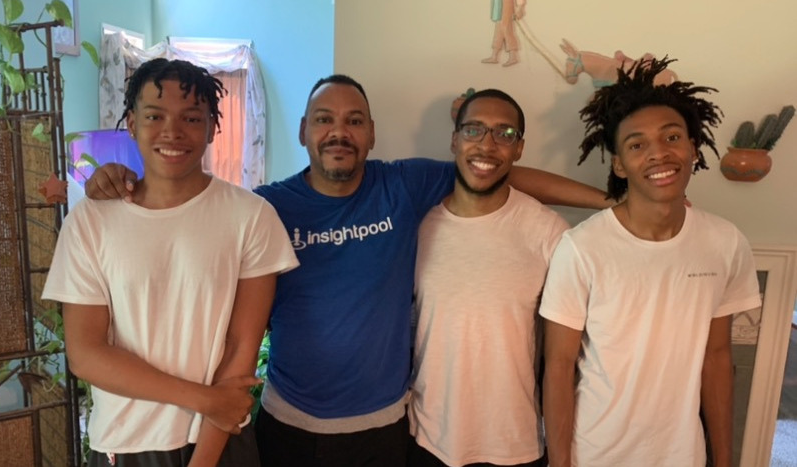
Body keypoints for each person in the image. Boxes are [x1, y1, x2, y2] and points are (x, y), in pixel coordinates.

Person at [84, 74, 611, 466]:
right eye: (324, 119)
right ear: (302, 131)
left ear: (372, 134)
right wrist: (120, 180)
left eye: (354, 121)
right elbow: (187, 209)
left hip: (384, 430)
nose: (339, 132)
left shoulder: (401, 186)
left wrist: (613, 203)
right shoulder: (264, 208)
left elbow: (497, 173)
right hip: (287, 425)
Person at [42, 58, 299, 466]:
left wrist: (203, 457)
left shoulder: (251, 217)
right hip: (125, 444)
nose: (172, 131)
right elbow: (86, 353)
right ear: (131, 123)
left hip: (217, 442)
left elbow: (241, 348)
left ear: (212, 128)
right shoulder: (91, 221)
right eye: (154, 116)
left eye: (191, 118)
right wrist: (206, 399)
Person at [540, 57, 762, 467]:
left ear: (693, 148)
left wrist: (723, 460)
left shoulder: (725, 242)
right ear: (619, 165)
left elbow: (717, 357)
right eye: (637, 144)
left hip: (682, 455)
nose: (659, 153)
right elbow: (558, 366)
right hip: (596, 454)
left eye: (672, 137)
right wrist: (559, 462)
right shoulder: (581, 248)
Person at [408, 89, 567, 467]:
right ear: (454, 140)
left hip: (515, 442)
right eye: (473, 130)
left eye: (504, 134)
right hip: (428, 438)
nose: (487, 144)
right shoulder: (419, 227)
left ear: (519, 149)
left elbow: (565, 356)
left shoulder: (549, 232)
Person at [482, 0, 526, 67]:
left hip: (507, 3)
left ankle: (513, 56)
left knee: (506, 28)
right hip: (499, 3)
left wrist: (520, 7)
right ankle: (494, 56)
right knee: (499, 28)